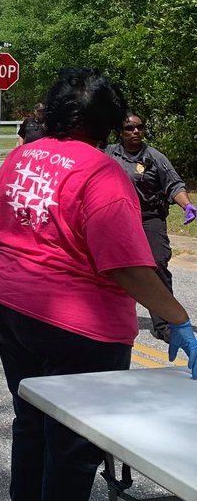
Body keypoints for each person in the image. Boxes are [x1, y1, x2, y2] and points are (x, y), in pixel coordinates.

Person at [0, 67, 197, 501]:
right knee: (71, 445)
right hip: (79, 326)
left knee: (31, 419)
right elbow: (127, 267)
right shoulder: (102, 174)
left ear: (52, 111)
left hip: (6, 304)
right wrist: (181, 321)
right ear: (112, 121)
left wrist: (2, 287)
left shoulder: (22, 158)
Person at [105, 113, 197, 341]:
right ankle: (104, 317)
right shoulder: (108, 153)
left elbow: (174, 184)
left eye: (139, 127)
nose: (135, 131)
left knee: (156, 263)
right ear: (120, 132)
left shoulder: (154, 156)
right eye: (129, 128)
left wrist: (187, 205)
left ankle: (165, 324)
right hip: (119, 218)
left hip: (149, 218)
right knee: (111, 268)